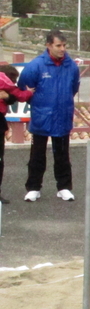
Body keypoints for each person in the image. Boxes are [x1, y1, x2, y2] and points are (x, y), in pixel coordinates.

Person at [17, 30, 80, 202]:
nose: (62, 49)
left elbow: (74, 87)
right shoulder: (36, 65)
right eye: (58, 45)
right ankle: (33, 187)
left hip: (62, 115)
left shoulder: (71, 66)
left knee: (62, 154)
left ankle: (64, 187)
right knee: (37, 155)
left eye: (64, 45)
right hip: (41, 116)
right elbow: (24, 86)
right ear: (48, 45)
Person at [0, 64, 34, 204]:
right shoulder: (6, 84)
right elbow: (19, 95)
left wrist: (7, 97)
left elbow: (13, 97)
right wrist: (29, 92)